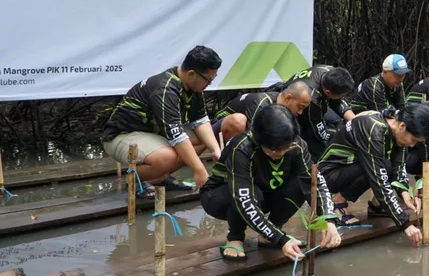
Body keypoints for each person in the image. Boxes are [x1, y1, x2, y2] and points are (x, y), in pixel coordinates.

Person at [200, 105, 341, 261]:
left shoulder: (297, 146)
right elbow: (244, 200)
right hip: (221, 196)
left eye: (283, 149)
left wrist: (328, 219)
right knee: (252, 194)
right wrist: (280, 239)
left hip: (263, 192)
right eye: (273, 150)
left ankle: (268, 233)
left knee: (301, 183)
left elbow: (315, 182)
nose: (278, 154)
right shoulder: (242, 148)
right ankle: (235, 237)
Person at [101, 46, 223, 198]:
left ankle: (159, 177)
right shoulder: (165, 89)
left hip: (153, 135)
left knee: (203, 139)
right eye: (209, 79)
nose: (210, 84)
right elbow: (176, 136)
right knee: (167, 157)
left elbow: (200, 121)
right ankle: (135, 178)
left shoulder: (193, 87)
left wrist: (216, 150)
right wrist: (200, 171)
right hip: (121, 136)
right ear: (191, 74)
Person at [318, 104, 429, 247]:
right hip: (328, 175)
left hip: (352, 167)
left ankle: (376, 206)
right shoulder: (373, 130)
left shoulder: (395, 126)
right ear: (403, 126)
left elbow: (399, 164)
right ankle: (337, 204)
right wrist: (405, 223)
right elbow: (378, 180)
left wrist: (405, 194)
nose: (412, 145)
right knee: (381, 168)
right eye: (413, 140)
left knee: (384, 166)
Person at [277, 65, 356, 160]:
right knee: (320, 150)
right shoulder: (312, 100)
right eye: (340, 96)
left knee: (336, 120)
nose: (342, 98)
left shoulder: (329, 71)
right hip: (292, 112)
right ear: (328, 92)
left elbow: (336, 101)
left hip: (308, 103)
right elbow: (321, 133)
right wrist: (346, 135)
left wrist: (355, 120)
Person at [211, 81, 313, 143]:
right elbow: (253, 135)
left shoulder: (286, 110)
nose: (300, 112)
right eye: (300, 107)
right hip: (220, 125)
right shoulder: (261, 103)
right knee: (239, 121)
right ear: (287, 98)